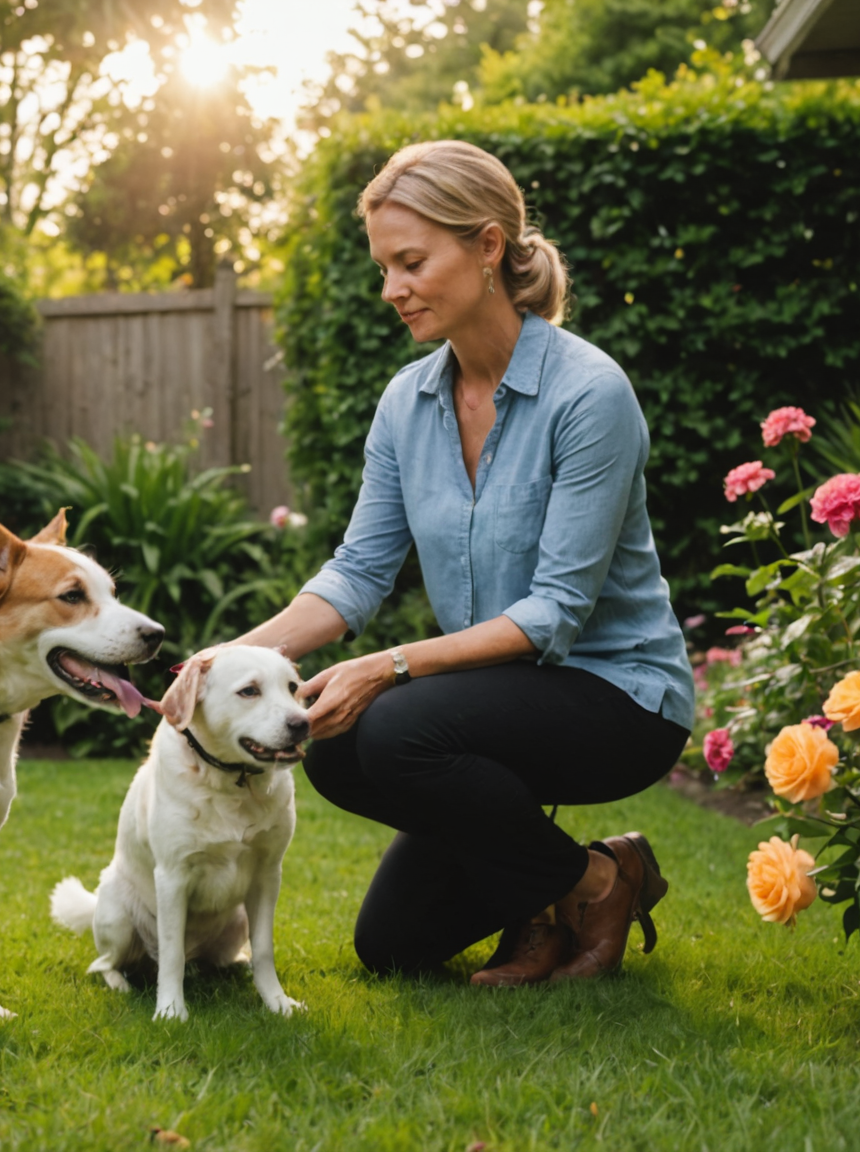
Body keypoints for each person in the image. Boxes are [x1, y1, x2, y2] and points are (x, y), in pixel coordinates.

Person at [234, 140, 694, 985]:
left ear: (488, 247)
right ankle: (564, 889)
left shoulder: (589, 394)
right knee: (346, 795)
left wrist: (391, 666)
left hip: (618, 696)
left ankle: (600, 884)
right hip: (501, 707)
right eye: (383, 267)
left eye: (411, 262)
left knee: (395, 721)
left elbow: (556, 611)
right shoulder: (406, 404)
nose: (391, 290)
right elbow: (359, 570)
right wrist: (236, 660)